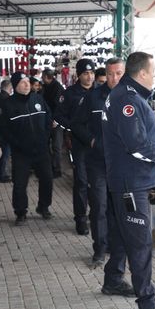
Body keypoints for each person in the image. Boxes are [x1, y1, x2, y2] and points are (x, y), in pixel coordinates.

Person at [101, 52, 155, 309]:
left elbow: (138, 138)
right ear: (142, 73)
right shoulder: (128, 100)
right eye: (152, 70)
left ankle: (112, 279)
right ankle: (148, 306)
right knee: (141, 245)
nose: (154, 75)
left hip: (128, 181)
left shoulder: (128, 94)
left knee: (123, 233)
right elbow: (136, 145)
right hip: (130, 183)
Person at [72, 57, 125, 267]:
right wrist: (92, 140)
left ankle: (116, 246)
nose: (114, 78)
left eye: (118, 73)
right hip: (98, 163)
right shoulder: (92, 97)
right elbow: (77, 125)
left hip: (122, 165)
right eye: (110, 74)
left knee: (118, 208)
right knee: (99, 206)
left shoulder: (132, 97)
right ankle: (100, 249)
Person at [0, 72, 54, 225]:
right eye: (22, 82)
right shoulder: (8, 104)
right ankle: (21, 212)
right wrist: (17, 144)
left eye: (27, 81)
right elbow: (4, 129)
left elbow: (48, 119)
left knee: (47, 180)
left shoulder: (38, 99)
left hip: (41, 150)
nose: (26, 84)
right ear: (15, 86)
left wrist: (45, 137)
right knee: (20, 184)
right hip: (21, 153)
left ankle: (43, 207)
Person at [55, 58, 95, 236]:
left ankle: (96, 216)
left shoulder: (99, 92)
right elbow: (59, 115)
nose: (89, 76)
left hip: (97, 144)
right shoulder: (70, 94)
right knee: (81, 182)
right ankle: (80, 219)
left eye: (92, 73)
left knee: (97, 182)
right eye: (86, 73)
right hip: (79, 144)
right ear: (79, 75)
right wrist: (72, 127)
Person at [41, 69, 65, 178]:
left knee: (56, 146)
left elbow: (58, 106)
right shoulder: (45, 87)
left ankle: (57, 169)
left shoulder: (57, 88)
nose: (41, 79)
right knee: (45, 145)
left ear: (46, 77)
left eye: (42, 77)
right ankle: (49, 167)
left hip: (56, 122)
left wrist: (55, 120)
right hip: (47, 121)